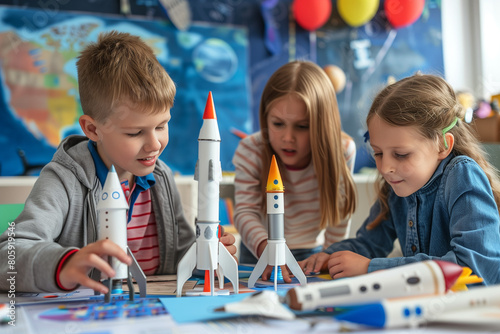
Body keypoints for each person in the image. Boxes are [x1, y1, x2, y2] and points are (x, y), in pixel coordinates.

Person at [0, 31, 236, 293]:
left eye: (161, 125)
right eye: (135, 133)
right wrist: (62, 265)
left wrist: (206, 258)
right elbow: (8, 254)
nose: (154, 144)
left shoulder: (162, 177)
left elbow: (178, 254)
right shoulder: (63, 180)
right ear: (92, 129)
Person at [300, 74, 500, 285]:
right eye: (378, 153)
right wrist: (330, 256)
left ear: (443, 145)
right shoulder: (399, 183)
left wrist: (370, 268)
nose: (386, 168)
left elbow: (473, 269)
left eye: (401, 154)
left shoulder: (462, 176)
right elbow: (369, 243)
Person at [232, 60, 357, 282]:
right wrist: (266, 249)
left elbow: (340, 214)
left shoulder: (342, 150)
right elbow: (245, 212)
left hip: (312, 255)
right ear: (265, 118)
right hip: (259, 252)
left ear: (322, 123)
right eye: (278, 124)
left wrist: (329, 254)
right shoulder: (250, 150)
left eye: (302, 126)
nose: (288, 138)